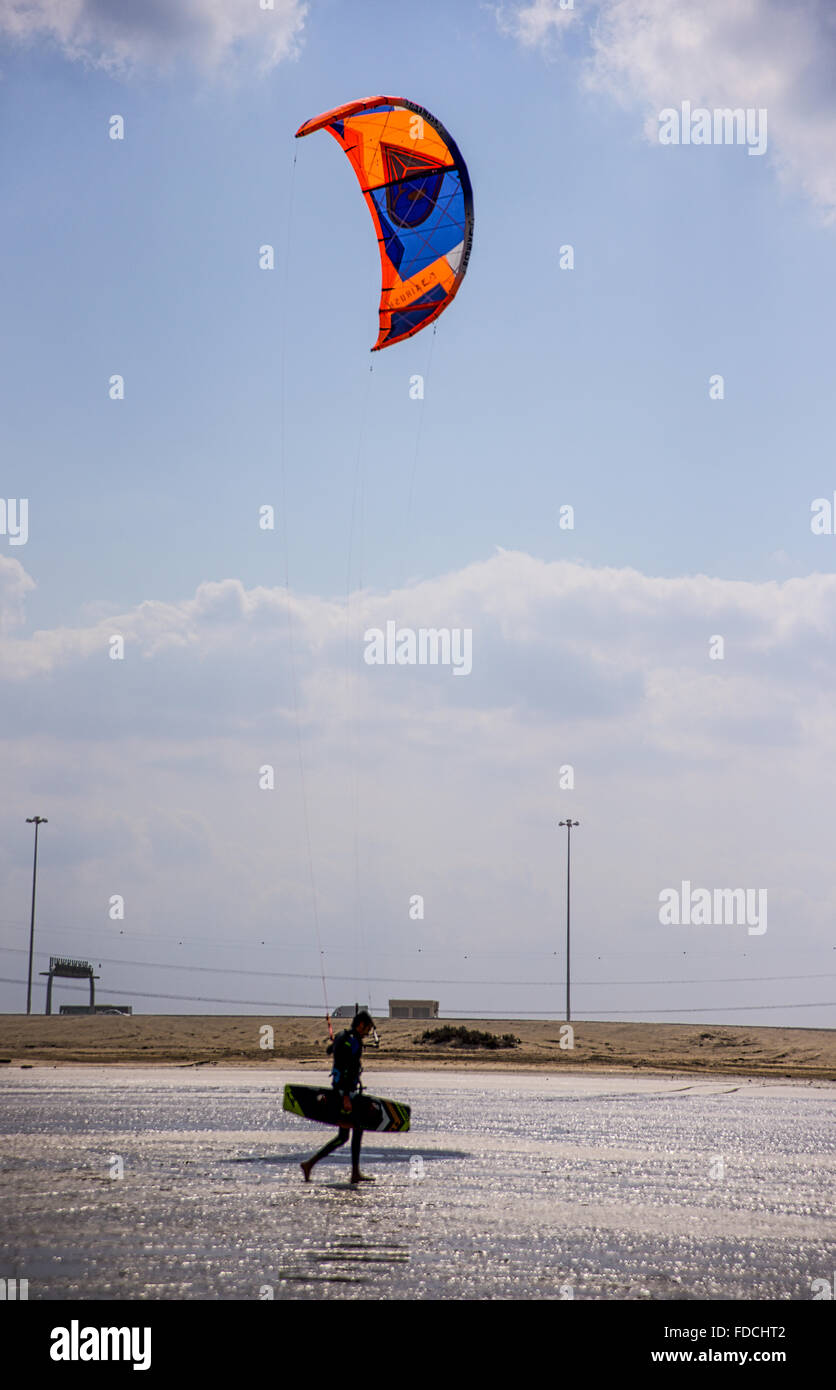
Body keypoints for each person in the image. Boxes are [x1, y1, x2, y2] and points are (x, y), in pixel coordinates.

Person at [300, 1011, 375, 1185]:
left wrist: (335, 1045)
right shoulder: (351, 1041)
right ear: (360, 1025)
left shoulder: (344, 1036)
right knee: (347, 1134)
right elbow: (347, 1069)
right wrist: (347, 1097)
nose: (368, 1033)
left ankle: (353, 1172)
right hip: (344, 1093)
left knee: (353, 1130)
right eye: (368, 1029)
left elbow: (330, 1050)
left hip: (343, 1091)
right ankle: (310, 1164)